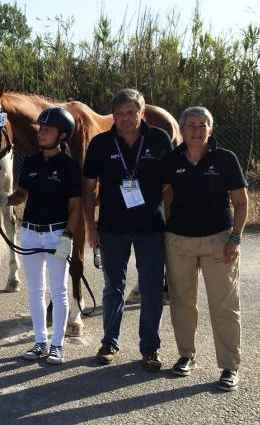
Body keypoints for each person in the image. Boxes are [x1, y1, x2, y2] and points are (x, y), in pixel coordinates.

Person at [82, 89, 173, 371]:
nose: (125, 118)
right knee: (113, 288)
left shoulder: (159, 140)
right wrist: (90, 226)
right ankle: (109, 342)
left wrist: (171, 226)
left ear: (142, 112)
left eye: (131, 112)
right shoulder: (100, 143)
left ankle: (150, 348)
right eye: (119, 113)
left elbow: (170, 188)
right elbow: (88, 189)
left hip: (151, 228)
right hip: (112, 228)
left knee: (151, 289)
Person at [162, 107, 247, 391]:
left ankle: (229, 366)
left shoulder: (225, 159)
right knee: (182, 304)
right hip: (179, 241)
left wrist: (235, 239)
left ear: (211, 129)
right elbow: (166, 197)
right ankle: (186, 355)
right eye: (191, 125)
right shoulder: (172, 160)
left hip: (218, 241)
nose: (197, 130)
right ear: (182, 130)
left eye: (202, 125)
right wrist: (167, 234)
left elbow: (241, 202)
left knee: (224, 306)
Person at [0, 108, 81, 364]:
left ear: (62, 135)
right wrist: (4, 200)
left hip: (57, 233)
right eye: (40, 128)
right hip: (30, 233)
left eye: (47, 130)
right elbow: (22, 194)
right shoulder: (31, 162)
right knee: (35, 291)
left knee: (59, 291)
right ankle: (40, 341)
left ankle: (57, 344)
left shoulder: (68, 166)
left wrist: (68, 237)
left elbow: (75, 207)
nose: (41, 133)